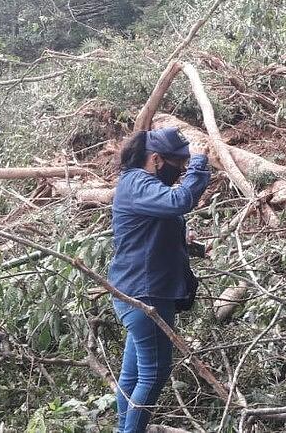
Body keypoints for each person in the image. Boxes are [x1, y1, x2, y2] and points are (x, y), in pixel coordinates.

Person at [108, 127, 211, 433]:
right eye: (178, 167)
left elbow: (149, 235)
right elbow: (179, 201)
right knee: (153, 374)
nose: (180, 174)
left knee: (133, 373)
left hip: (138, 291)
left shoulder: (140, 185)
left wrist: (194, 247)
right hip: (145, 294)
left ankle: (124, 429)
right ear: (156, 160)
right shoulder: (138, 183)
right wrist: (199, 162)